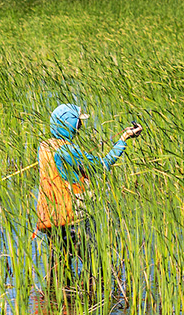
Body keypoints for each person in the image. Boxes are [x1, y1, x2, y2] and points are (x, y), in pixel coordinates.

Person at [34, 103, 142, 267]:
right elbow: (102, 165)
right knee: (95, 268)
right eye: (78, 123)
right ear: (71, 125)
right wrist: (123, 139)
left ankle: (54, 292)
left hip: (50, 219)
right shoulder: (67, 150)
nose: (80, 127)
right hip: (71, 220)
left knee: (59, 269)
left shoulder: (44, 146)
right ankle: (95, 291)